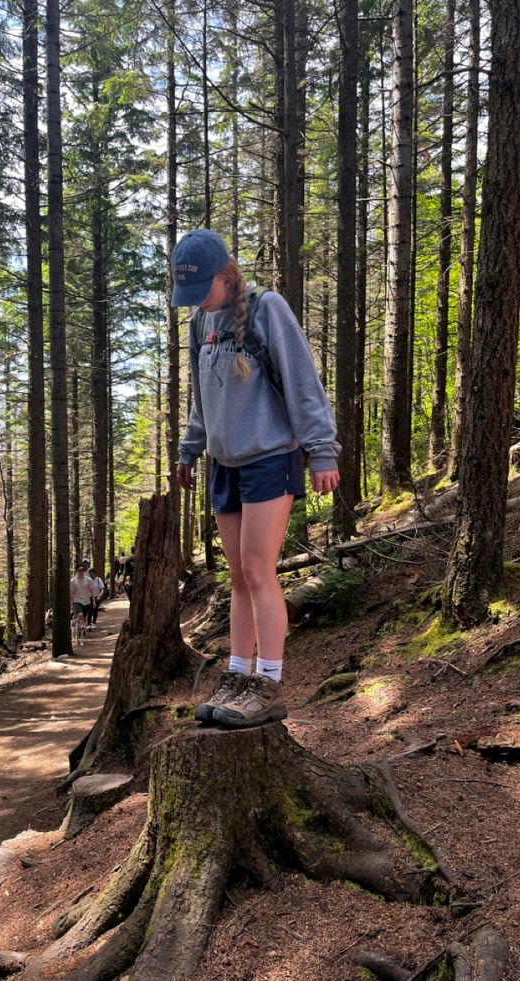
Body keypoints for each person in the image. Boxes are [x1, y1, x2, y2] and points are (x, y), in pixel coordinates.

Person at [173, 229, 340, 728]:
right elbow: (202, 399)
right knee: (238, 576)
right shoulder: (201, 320)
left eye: (204, 287)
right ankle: (237, 674)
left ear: (226, 274)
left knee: (258, 569)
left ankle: (267, 682)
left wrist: (321, 452)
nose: (197, 299)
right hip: (224, 463)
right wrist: (189, 449)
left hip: (269, 457)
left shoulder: (267, 309)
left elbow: (303, 382)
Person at [69, 562, 93, 635]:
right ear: (77, 571)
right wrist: (71, 604)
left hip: (86, 601)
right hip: (77, 600)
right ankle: (81, 626)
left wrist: (94, 601)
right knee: (80, 615)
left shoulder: (88, 579)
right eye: (80, 570)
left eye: (83, 570)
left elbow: (92, 590)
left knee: (84, 617)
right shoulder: (73, 581)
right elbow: (72, 593)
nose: (81, 572)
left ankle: (82, 629)